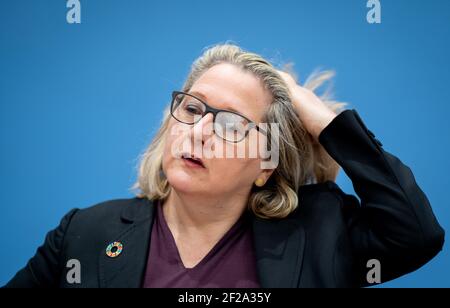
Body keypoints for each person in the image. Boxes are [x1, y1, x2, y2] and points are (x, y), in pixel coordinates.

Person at [4, 44, 444, 288]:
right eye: (192, 110)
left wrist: (315, 113)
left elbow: (415, 234)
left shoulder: (320, 234)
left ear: (265, 165)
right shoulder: (84, 234)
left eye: (232, 124)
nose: (198, 132)